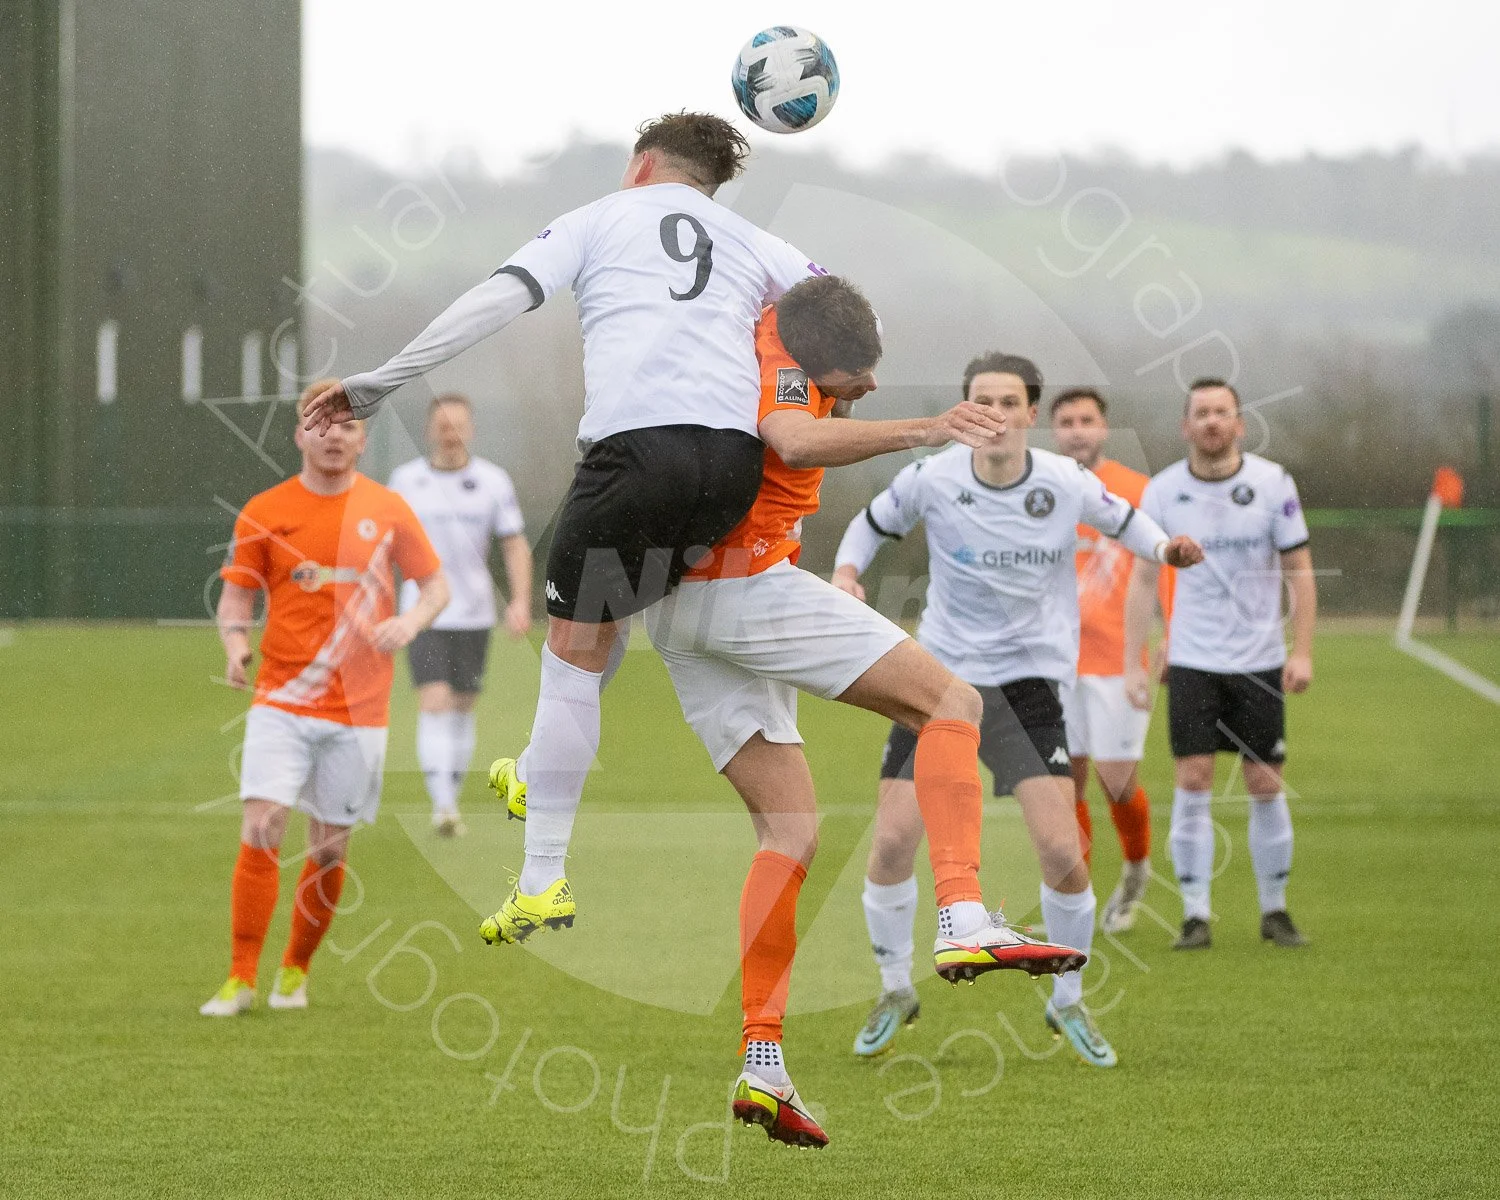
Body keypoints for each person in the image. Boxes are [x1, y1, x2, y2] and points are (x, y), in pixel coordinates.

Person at [495, 277, 1086, 1147]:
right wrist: (929, 430)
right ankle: (962, 912)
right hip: (746, 588)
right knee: (950, 702)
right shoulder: (778, 351)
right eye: (854, 373)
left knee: (790, 833)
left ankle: (762, 1062)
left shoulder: (736, 335)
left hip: (681, 611)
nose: (866, 388)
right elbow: (795, 438)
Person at [301, 112, 826, 943]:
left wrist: (380, 381)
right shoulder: (752, 238)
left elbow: (493, 301)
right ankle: (538, 770)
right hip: (733, 469)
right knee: (605, 622)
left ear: (642, 163)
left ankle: (542, 875)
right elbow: (831, 309)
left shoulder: (598, 217)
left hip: (636, 455)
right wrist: (853, 372)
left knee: (572, 648)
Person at [832, 354, 1203, 1068]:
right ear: (964, 408)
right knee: (888, 845)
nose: (993, 414)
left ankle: (1067, 1002)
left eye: (1008, 402)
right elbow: (869, 524)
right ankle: (892, 991)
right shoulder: (933, 476)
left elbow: (1130, 523)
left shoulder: (1064, 481)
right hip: (936, 685)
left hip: (1030, 687)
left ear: (1031, 415)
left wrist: (1167, 547)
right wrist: (847, 573)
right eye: (980, 400)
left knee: (1063, 853)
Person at [200, 381, 448, 1016]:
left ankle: (295, 969)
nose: (334, 434)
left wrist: (410, 624)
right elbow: (237, 597)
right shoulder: (265, 510)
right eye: (321, 423)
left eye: (346, 426)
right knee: (262, 826)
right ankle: (239, 976)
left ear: (363, 440)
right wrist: (234, 644)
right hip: (280, 700)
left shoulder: (388, 511)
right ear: (299, 434)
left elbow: (436, 585)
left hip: (360, 710)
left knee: (330, 846)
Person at [1123, 377, 1316, 950]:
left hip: (1259, 659)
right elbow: (1141, 579)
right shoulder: (1161, 491)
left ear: (1239, 424)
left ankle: (1274, 911)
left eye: (1221, 412)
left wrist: (1301, 651)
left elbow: (1299, 572)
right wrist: (1139, 657)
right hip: (1192, 658)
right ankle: (1195, 915)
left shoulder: (1272, 483)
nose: (1211, 421)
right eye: (1201, 413)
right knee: (1193, 777)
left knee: (1263, 781)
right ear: (1186, 426)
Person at [1050, 387, 1175, 933]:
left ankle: (1135, 869)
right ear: (1053, 430)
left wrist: (1168, 636)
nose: (1077, 430)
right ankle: (1076, 895)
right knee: (1064, 782)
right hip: (1054, 663)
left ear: (1104, 428)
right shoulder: (1040, 485)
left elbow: (1160, 565)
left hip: (1117, 661)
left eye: (1087, 420)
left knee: (1117, 780)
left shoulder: (1135, 490)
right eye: (1067, 421)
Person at [389, 394, 532, 837]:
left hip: (474, 613)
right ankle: (444, 806)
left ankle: (448, 793)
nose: (450, 432)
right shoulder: (405, 481)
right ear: (430, 429)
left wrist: (521, 600)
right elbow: (382, 548)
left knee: (462, 708)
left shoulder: (492, 481)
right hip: (422, 612)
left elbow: (513, 543)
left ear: (470, 429)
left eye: (458, 424)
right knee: (434, 703)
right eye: (442, 424)